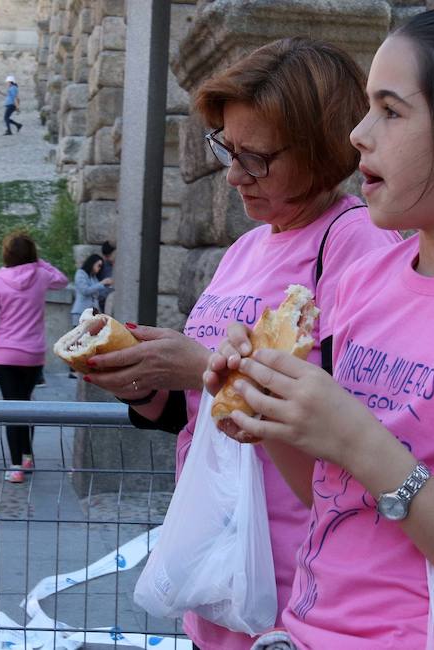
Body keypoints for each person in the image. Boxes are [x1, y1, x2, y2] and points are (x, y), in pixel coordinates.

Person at [205, 7, 434, 648]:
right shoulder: (365, 281)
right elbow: (331, 499)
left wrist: (368, 448)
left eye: (390, 111)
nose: (357, 135)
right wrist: (266, 411)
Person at [83, 38, 400, 650]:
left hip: (295, 581)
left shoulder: (358, 248)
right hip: (223, 565)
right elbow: (204, 415)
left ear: (322, 147)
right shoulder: (249, 247)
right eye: (227, 150)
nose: (233, 176)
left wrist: (203, 364)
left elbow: (354, 420)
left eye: (254, 159)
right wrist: (148, 382)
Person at [0, 232, 68, 483]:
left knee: (11, 407)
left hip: (5, 353)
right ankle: (26, 455)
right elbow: (62, 280)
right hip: (33, 353)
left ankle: (16, 465)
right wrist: (39, 263)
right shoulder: (41, 276)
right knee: (26, 403)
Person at [99, 240, 115, 312]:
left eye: (108, 256)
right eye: (105, 256)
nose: (106, 259)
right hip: (103, 299)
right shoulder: (103, 265)